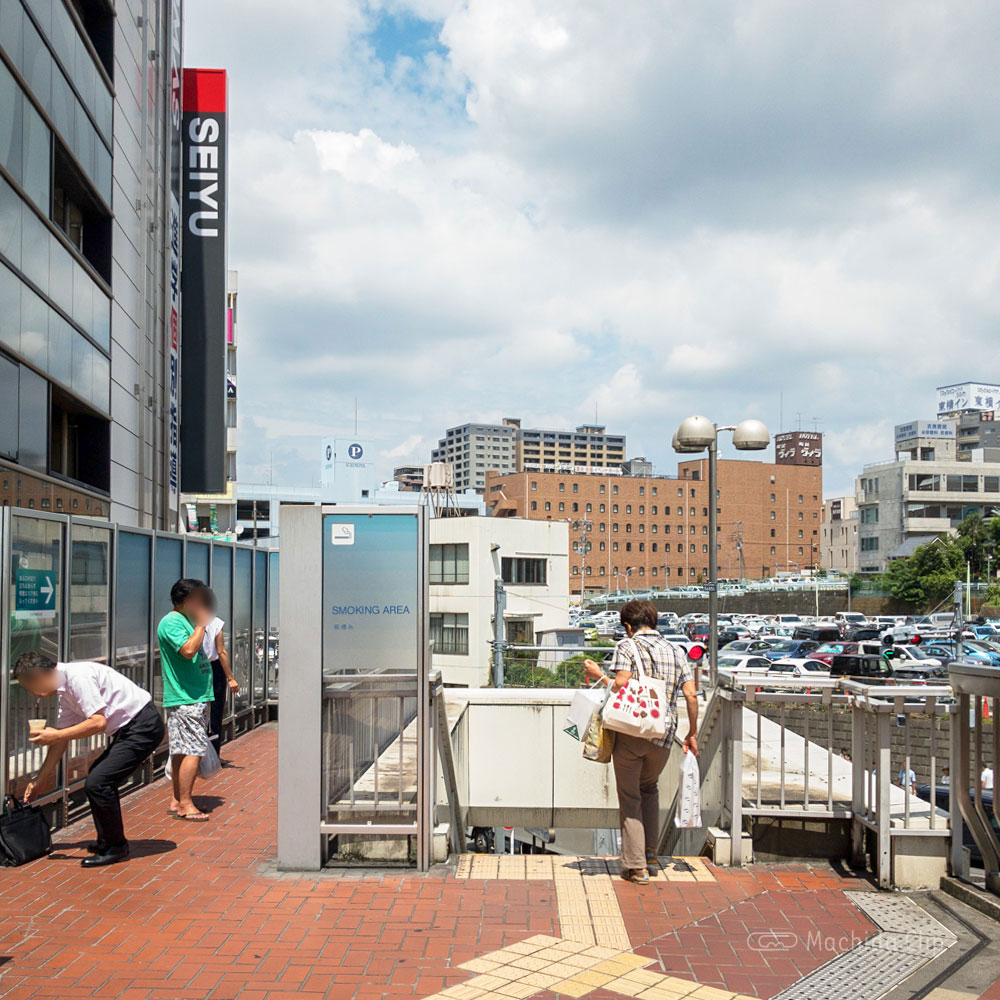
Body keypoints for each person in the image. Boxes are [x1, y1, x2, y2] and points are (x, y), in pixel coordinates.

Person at [584, 600, 699, 886]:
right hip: (663, 736)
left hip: (632, 732)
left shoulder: (627, 646)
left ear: (627, 626)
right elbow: (691, 693)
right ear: (654, 621)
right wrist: (692, 732)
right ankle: (650, 854)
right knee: (649, 789)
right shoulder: (676, 650)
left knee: (630, 797)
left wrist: (599, 676)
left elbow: (622, 683)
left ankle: (636, 868)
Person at [15, 652, 165, 867]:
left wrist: (56, 735)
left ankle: (115, 846)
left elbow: (97, 723)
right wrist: (40, 780)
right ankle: (108, 842)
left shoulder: (77, 678)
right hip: (130, 729)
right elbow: (61, 740)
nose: (33, 694)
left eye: (30, 687)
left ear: (40, 676)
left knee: (98, 782)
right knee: (98, 780)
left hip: (143, 726)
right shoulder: (65, 690)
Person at [156, 579, 214, 822]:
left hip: (193, 695)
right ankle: (186, 804)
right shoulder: (172, 622)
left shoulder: (183, 621)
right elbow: (188, 650)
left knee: (181, 750)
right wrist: (201, 625)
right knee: (193, 749)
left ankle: (178, 800)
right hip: (187, 697)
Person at [200, 588, 239, 751]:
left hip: (196, 667)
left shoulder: (188, 622)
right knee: (216, 712)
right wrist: (230, 678)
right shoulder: (216, 622)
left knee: (199, 710)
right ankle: (214, 754)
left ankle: (197, 754)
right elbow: (221, 651)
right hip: (215, 669)